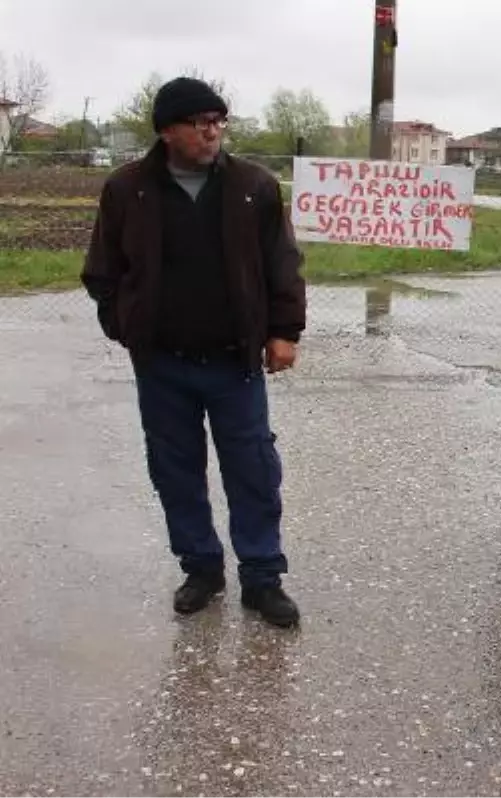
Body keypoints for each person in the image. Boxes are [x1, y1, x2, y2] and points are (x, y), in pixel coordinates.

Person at [80, 76, 306, 627]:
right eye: (201, 123)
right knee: (175, 469)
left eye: (219, 122)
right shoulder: (127, 189)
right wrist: (126, 326)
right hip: (162, 365)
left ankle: (261, 577)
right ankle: (201, 568)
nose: (213, 133)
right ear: (168, 131)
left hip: (234, 362)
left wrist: (284, 332)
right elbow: (103, 271)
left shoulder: (252, 186)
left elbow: (283, 264)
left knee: (253, 467)